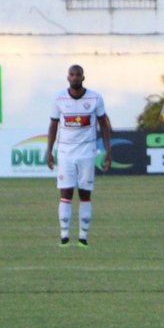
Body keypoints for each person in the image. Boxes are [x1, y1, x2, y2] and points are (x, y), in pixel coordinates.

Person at [45, 64, 113, 248]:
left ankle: (83, 236)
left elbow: (104, 124)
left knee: (85, 193)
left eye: (78, 75)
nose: (75, 77)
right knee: (65, 192)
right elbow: (53, 125)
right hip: (66, 153)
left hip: (87, 153)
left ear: (83, 77)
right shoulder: (59, 98)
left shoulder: (95, 98)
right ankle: (64, 235)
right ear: (67, 77)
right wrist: (49, 150)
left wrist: (108, 151)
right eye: (72, 74)